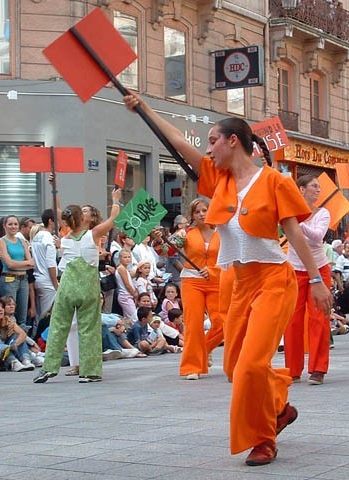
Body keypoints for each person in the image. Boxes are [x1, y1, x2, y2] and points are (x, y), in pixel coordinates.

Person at [124, 92, 332, 467]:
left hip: (274, 279)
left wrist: (316, 279)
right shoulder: (218, 180)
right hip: (238, 282)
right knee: (235, 367)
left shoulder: (276, 182)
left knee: (252, 364)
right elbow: (177, 143)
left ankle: (263, 438)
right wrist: (143, 108)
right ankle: (280, 407)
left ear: (233, 141)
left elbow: (296, 234)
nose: (209, 148)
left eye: (213, 141)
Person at [33, 189, 122, 384]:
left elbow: (58, 210)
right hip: (87, 287)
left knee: (58, 327)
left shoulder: (63, 238)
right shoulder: (93, 234)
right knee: (88, 328)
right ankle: (89, 372)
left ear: (66, 222)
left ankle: (48, 368)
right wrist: (115, 200)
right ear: (82, 218)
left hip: (67, 286)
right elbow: (113, 219)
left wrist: (55, 190)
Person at [283, 174, 331, 385]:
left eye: (319, 187)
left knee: (319, 317)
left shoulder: (323, 213)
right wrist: (291, 218)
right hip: (294, 268)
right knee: (292, 320)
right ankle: (292, 369)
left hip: (319, 269)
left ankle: (318, 368)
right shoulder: (288, 211)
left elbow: (318, 236)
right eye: (314, 186)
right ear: (301, 189)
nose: (318, 190)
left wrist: (296, 222)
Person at [170, 197, 224, 379]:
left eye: (204, 210)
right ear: (192, 215)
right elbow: (166, 251)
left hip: (217, 280)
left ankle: (204, 350)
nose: (201, 214)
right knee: (193, 324)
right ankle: (192, 366)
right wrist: (161, 239)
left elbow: (230, 258)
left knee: (222, 323)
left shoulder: (223, 232)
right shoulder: (185, 233)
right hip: (192, 281)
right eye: (197, 211)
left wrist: (214, 270)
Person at [0, 215, 34, 328]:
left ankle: (22, 341)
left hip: (23, 280)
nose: (13, 227)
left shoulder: (22, 241)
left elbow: (32, 262)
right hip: (9, 280)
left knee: (22, 316)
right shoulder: (1, 241)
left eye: (15, 224)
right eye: (10, 224)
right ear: (4, 226)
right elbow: (9, 264)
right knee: (9, 314)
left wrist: (19, 264)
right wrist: (25, 264)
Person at [31, 209, 59, 322]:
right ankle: (40, 338)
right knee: (46, 317)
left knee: (39, 316)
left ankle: (36, 337)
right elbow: (50, 264)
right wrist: (55, 284)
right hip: (48, 281)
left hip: (38, 278)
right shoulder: (49, 239)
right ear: (51, 221)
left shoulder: (37, 237)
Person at [115, 249, 138, 326]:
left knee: (128, 319)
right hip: (125, 296)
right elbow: (127, 284)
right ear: (120, 258)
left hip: (127, 296)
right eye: (125, 257)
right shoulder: (121, 269)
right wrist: (134, 294)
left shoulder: (124, 269)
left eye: (129, 257)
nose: (127, 259)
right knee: (134, 318)